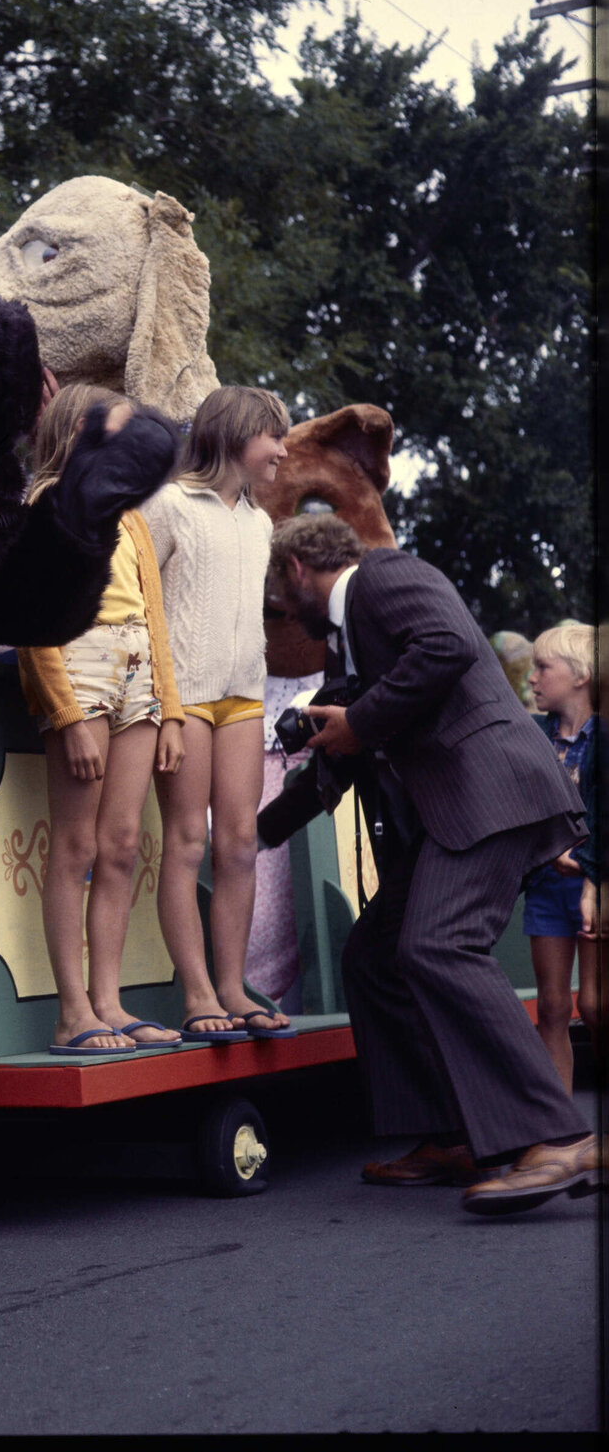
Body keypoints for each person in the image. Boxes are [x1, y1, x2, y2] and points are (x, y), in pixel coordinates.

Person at [260, 512, 597, 1215]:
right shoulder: (347, 643)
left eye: (274, 586)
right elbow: (345, 750)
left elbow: (443, 646)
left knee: (439, 943)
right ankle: (453, 1133)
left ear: (295, 569)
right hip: (462, 806)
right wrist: (255, 832)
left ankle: (556, 1135)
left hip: (490, 791)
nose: (277, 608)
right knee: (375, 956)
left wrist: (358, 719)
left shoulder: (384, 576)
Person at [17, 382, 185, 1055]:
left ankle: (110, 1001)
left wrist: (169, 710)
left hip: (137, 670)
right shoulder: (43, 501)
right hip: (78, 666)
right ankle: (72, 1010)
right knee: (76, 847)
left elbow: (154, 615)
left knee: (120, 846)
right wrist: (65, 713)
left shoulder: (132, 518)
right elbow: (32, 616)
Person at [139, 385, 295, 1041]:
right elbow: (141, 606)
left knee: (238, 843)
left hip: (242, 698)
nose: (282, 451)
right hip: (183, 699)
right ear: (234, 433)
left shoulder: (259, 522)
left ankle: (232, 986)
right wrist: (163, 708)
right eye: (272, 436)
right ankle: (197, 992)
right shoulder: (168, 503)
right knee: (186, 842)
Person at [522, 622, 600, 1092]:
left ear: (581, 675)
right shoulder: (534, 736)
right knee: (551, 1005)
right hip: (548, 885)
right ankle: (560, 1131)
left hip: (593, 884)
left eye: (542, 668)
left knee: (594, 1005)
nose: (532, 678)